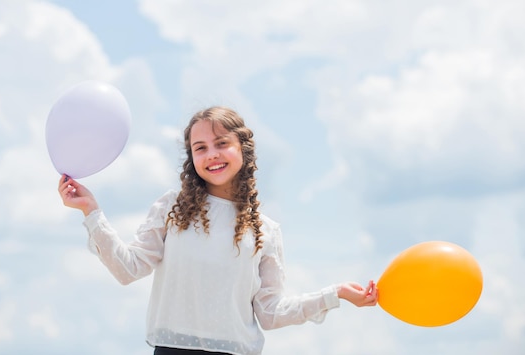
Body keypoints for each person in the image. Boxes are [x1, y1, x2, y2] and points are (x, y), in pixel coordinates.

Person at [58, 106, 378, 355]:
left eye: (221, 143)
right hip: (172, 351)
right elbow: (128, 269)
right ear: (192, 158)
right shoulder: (173, 208)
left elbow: (269, 313)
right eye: (200, 147)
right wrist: (91, 212)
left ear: (243, 149)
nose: (211, 153)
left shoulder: (266, 231)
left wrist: (334, 294)